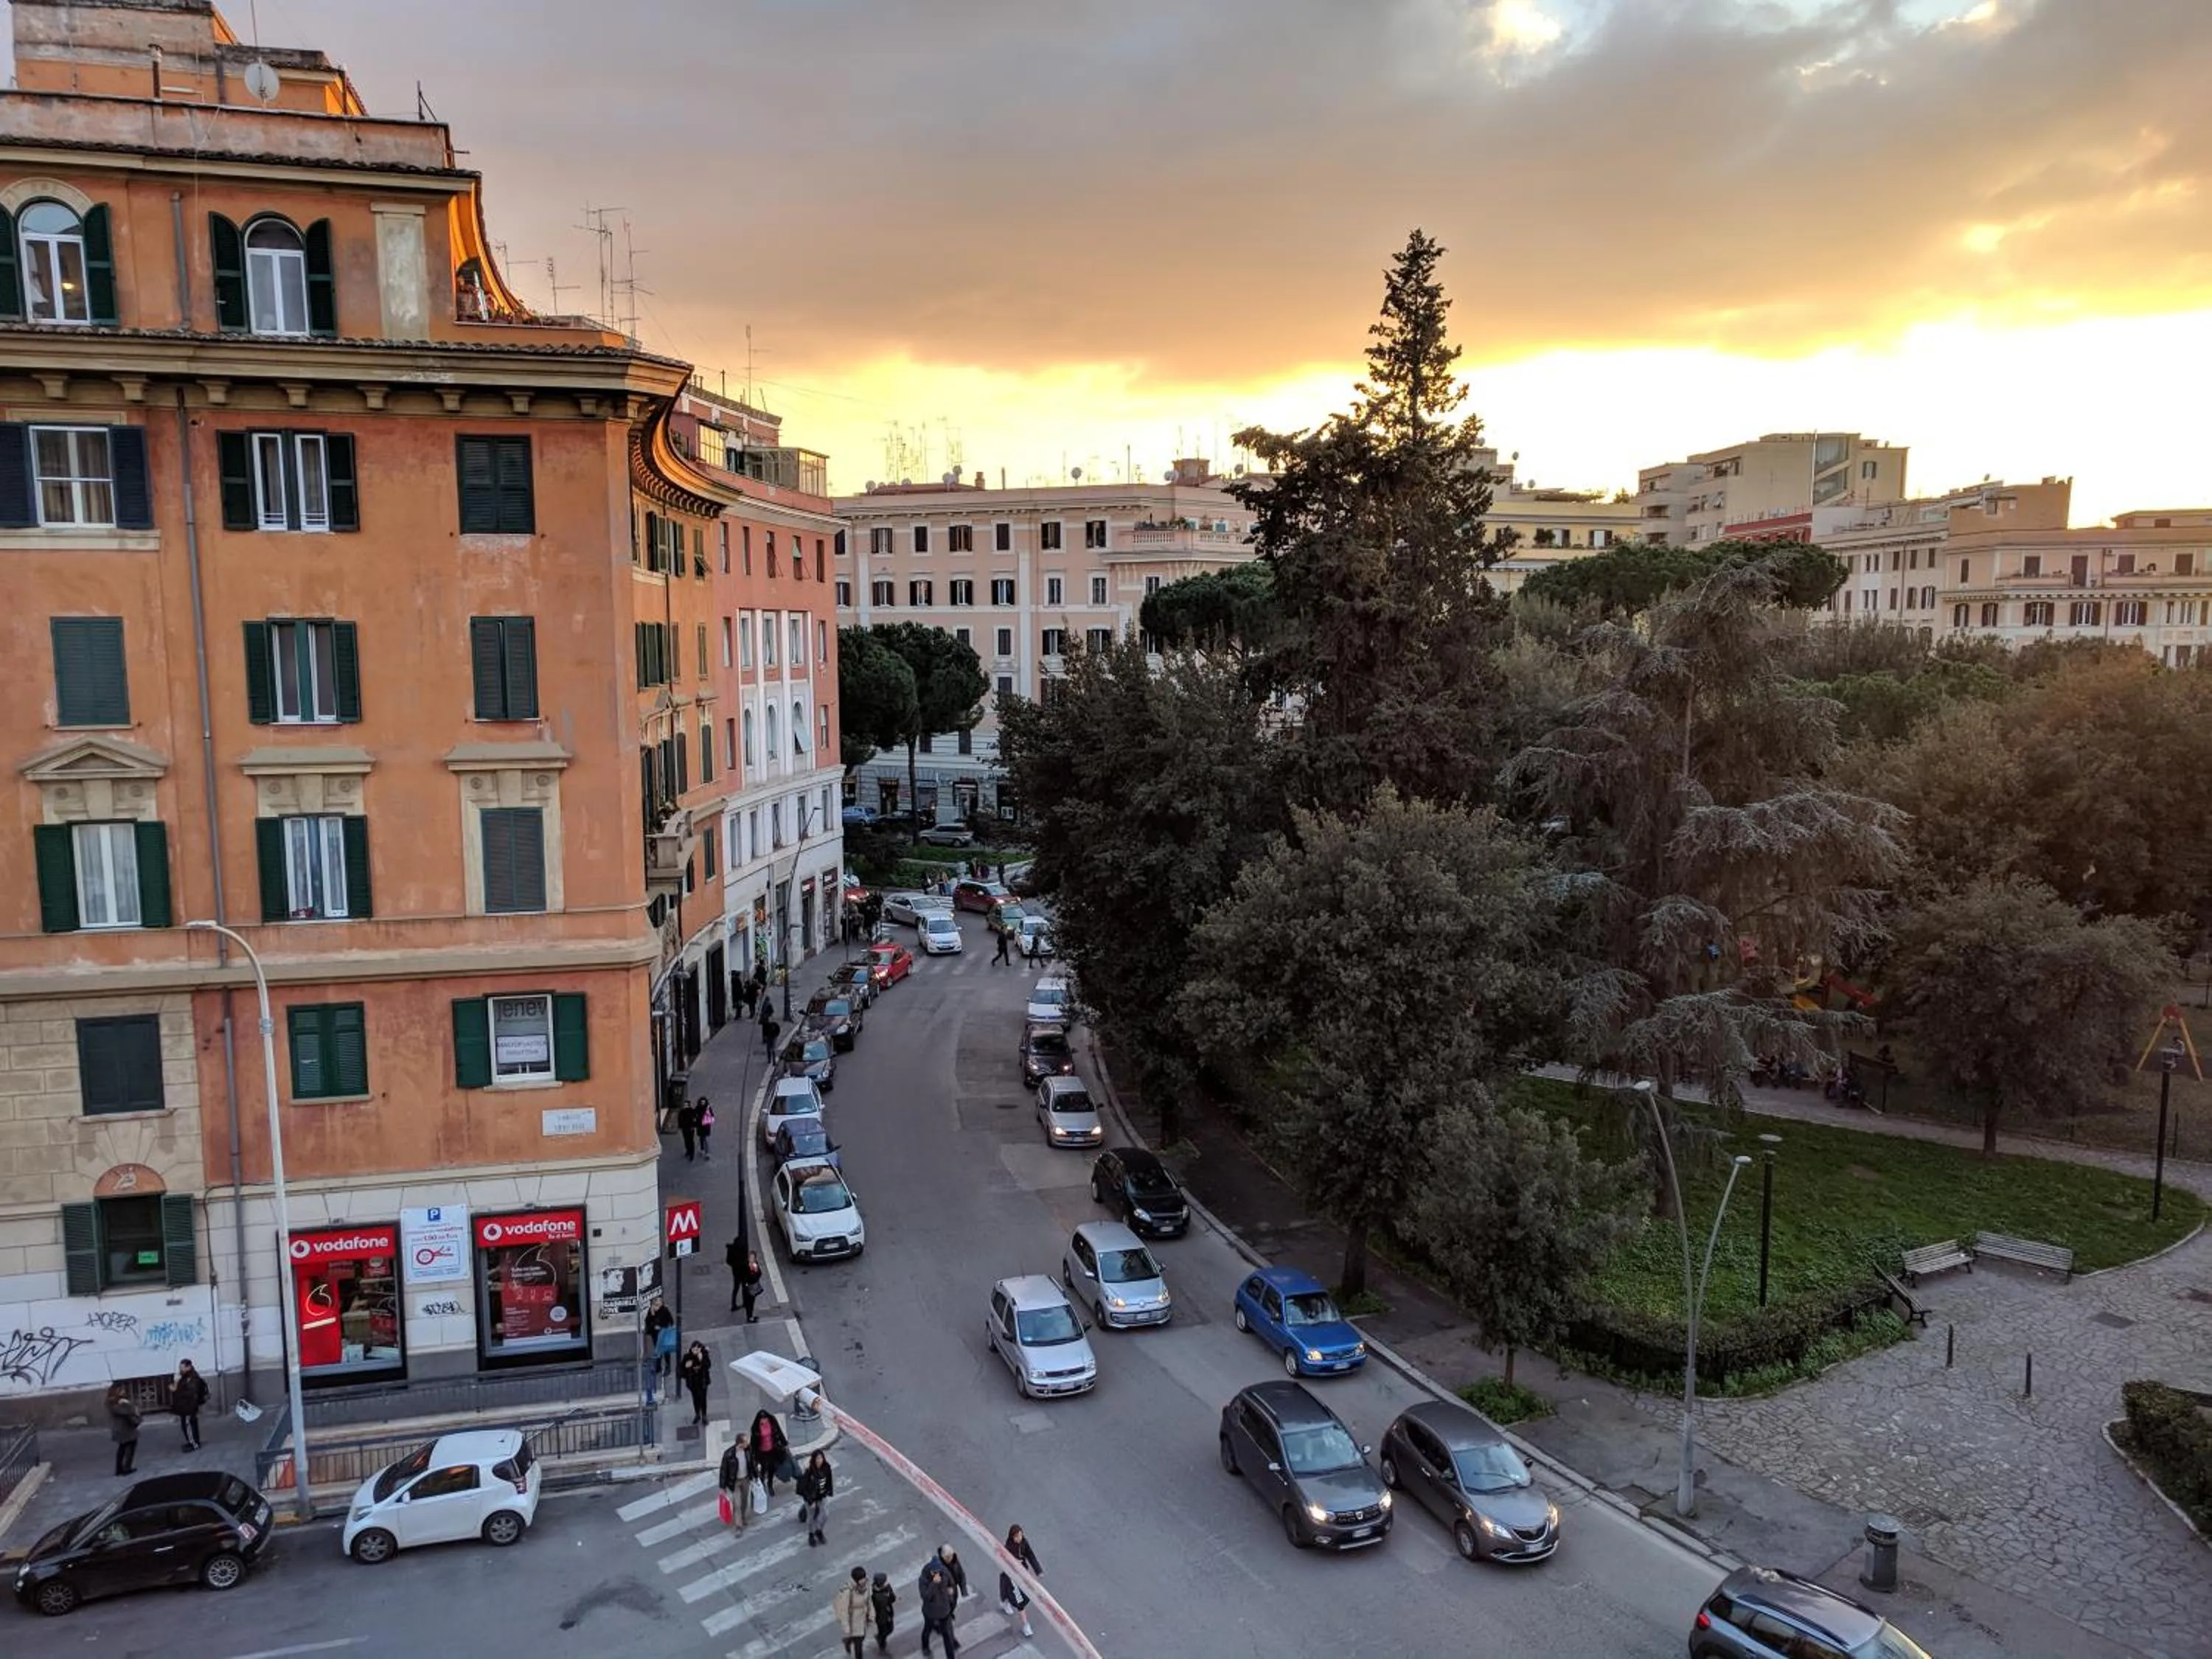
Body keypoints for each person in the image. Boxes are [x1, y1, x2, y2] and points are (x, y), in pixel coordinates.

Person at [998, 1523, 1040, 1639]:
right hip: (1012, 1575)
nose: (1019, 1538)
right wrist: (1014, 1562)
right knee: (1019, 1600)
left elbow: (1031, 1556)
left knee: (1012, 1593)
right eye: (1017, 1536)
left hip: (1022, 1573)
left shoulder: (1024, 1543)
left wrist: (1038, 1570)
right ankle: (1026, 1625)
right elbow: (1004, 1559)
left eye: (1021, 1535)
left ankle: (1004, 1602)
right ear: (1012, 1537)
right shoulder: (1008, 1547)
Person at [918, 1551, 960, 1658]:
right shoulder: (924, 1579)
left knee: (948, 1635)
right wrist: (934, 1584)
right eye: (934, 1572)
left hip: (945, 1611)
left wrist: (951, 1595)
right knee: (928, 1629)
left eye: (938, 1572)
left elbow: (952, 1585)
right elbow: (926, 1596)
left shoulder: (944, 1572)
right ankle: (925, 1647)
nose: (937, 1574)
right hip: (931, 1612)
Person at [748, 1409, 790, 1498]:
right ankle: (762, 1482)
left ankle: (770, 1484)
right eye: (762, 1419)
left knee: (772, 1468)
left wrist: (784, 1443)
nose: (764, 1421)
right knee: (763, 1468)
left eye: (765, 1419)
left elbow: (779, 1431)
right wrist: (752, 1454)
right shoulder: (756, 1428)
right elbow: (753, 1442)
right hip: (762, 1452)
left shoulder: (772, 1421)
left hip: (773, 1449)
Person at [796, 1448, 834, 1546]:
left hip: (822, 1496)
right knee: (811, 1518)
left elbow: (829, 1481)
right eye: (817, 1458)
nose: (819, 1460)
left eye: (821, 1458)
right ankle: (811, 1535)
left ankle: (819, 1531)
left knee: (825, 1515)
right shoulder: (809, 1472)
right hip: (811, 1499)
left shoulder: (826, 1468)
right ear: (814, 1460)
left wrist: (828, 1492)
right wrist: (810, 1501)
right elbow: (803, 1489)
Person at [170, 1357, 209, 1452]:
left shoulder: (192, 1378)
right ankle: (192, 1441)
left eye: (182, 1368)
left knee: (189, 1426)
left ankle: (194, 1444)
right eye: (180, 1367)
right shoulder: (186, 1377)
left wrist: (176, 1389)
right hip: (185, 1406)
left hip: (189, 1407)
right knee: (188, 1426)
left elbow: (190, 1393)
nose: (180, 1369)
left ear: (189, 1367)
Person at [832, 1564, 872, 1658]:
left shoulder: (866, 1585)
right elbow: (843, 1610)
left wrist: (870, 1613)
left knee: (862, 1637)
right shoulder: (847, 1591)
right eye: (862, 1579)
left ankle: (848, 1640)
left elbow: (869, 1599)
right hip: (852, 1620)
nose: (864, 1580)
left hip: (862, 1617)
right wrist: (846, 1626)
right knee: (859, 1645)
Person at [107, 1383, 140, 1477]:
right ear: (116, 1391)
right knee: (130, 1447)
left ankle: (119, 1469)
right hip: (124, 1429)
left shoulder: (115, 1401)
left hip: (124, 1428)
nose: (124, 1392)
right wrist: (128, 1404)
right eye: (121, 1390)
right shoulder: (114, 1402)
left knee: (122, 1447)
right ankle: (126, 1468)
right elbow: (128, 1412)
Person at [678, 1339, 713, 1428]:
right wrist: (686, 1367)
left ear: (700, 1349)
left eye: (697, 1350)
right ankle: (697, 1414)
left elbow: (708, 1366)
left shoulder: (704, 1355)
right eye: (694, 1349)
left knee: (703, 1399)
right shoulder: (687, 1357)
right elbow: (680, 1371)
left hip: (703, 1381)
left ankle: (704, 1415)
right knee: (696, 1399)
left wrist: (701, 1359)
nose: (695, 1351)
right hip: (693, 1382)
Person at [717, 1439, 748, 1532]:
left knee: (744, 1501)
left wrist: (755, 1476)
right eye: (746, 1441)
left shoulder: (748, 1451)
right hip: (735, 1482)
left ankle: (743, 1518)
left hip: (746, 1480)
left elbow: (752, 1463)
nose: (748, 1443)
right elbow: (723, 1471)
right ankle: (739, 1526)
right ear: (740, 1443)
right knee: (737, 1504)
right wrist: (722, 1487)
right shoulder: (729, 1454)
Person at [645, 1295, 676, 1377]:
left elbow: (670, 1321)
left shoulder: (665, 1311)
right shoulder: (651, 1311)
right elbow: (648, 1322)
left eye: (658, 1305)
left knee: (666, 1351)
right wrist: (652, 1314)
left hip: (664, 1333)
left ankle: (667, 1367)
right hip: (655, 1334)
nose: (656, 1307)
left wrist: (661, 1326)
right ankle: (658, 1367)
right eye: (655, 1305)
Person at [869, 1571, 897, 1655]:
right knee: (884, 1631)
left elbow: (892, 1599)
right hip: (880, 1616)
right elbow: (879, 1603)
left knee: (890, 1629)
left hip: (888, 1613)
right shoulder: (873, 1594)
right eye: (884, 1581)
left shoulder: (887, 1588)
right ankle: (882, 1646)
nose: (886, 1582)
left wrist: (890, 1592)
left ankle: (880, 1639)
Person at [675, 1097, 699, 1161]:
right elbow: (680, 1120)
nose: (685, 1106)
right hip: (684, 1129)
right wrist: (680, 1127)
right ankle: (688, 1151)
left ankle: (692, 1154)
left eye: (686, 1105)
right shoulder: (682, 1112)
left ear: (689, 1105)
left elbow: (696, 1120)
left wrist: (694, 1126)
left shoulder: (692, 1111)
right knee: (686, 1141)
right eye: (684, 1105)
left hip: (690, 1129)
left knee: (691, 1141)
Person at [695, 1096, 715, 1162]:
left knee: (705, 1139)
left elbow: (712, 1115)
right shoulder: (698, 1108)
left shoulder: (708, 1108)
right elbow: (695, 1114)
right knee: (701, 1138)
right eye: (702, 1102)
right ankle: (702, 1150)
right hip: (701, 1126)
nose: (703, 1103)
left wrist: (707, 1112)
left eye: (704, 1102)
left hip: (705, 1126)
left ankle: (707, 1153)